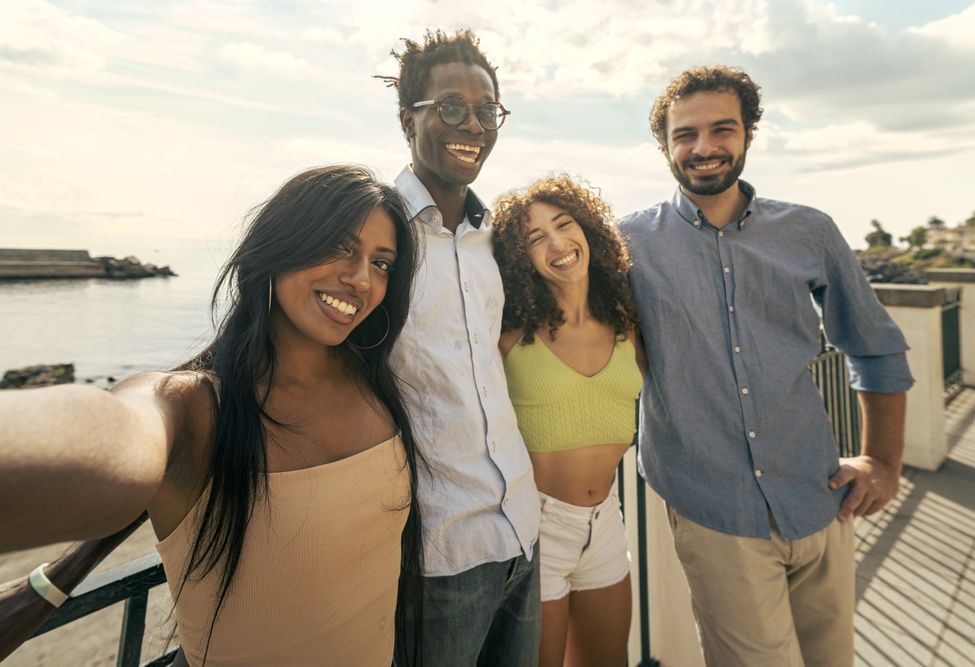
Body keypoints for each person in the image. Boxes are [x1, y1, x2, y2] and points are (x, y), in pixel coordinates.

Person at [0, 165, 423, 667]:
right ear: (281, 244)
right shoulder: (192, 407)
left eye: (381, 263)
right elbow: (116, 431)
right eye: (339, 246)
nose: (360, 278)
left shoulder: (375, 381)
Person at [619, 65, 914, 667]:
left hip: (819, 496)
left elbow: (876, 347)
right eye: (685, 135)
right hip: (714, 510)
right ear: (664, 147)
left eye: (721, 129)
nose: (703, 148)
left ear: (749, 134)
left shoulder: (810, 231)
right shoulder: (629, 245)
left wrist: (883, 461)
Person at [379, 29, 542, 666]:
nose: (472, 124)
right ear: (407, 119)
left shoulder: (494, 239)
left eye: (486, 111)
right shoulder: (374, 230)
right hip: (436, 557)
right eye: (451, 107)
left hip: (522, 532)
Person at [492, 175, 643, 667]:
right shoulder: (510, 334)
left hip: (606, 521)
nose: (557, 243)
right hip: (536, 529)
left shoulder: (626, 324)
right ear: (521, 259)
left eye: (563, 224)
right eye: (535, 238)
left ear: (588, 231)